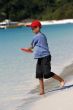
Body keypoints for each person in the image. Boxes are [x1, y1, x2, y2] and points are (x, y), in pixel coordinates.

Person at [26, 20, 65, 95]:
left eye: (33, 28)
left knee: (47, 74)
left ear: (38, 27)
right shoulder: (40, 35)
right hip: (40, 57)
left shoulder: (39, 36)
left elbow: (31, 46)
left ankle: (61, 80)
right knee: (39, 74)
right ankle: (42, 90)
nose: (32, 30)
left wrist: (28, 49)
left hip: (46, 56)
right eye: (31, 28)